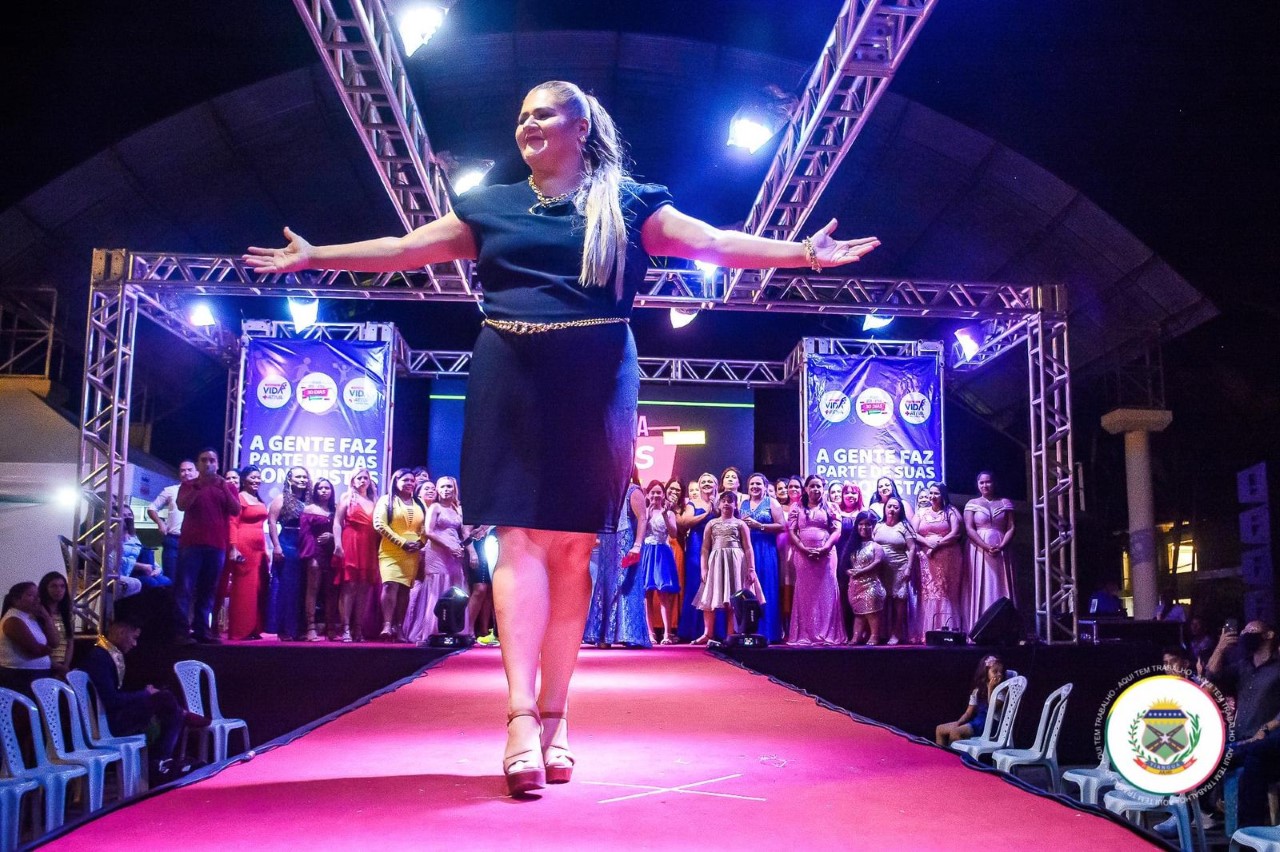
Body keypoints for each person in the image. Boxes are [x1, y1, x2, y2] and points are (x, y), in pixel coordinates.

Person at [244, 79, 878, 796]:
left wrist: (803, 253)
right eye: (521, 115)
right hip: (508, 369)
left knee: (574, 547)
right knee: (516, 538)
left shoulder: (629, 203)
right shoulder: (491, 205)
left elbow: (714, 242)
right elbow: (403, 249)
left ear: (582, 127)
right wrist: (315, 255)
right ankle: (519, 716)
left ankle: (556, 714)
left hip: (597, 374)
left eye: (543, 113)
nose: (527, 124)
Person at [78, 615, 211, 782]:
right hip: (106, 722)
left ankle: (161, 760)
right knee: (164, 699)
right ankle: (161, 761)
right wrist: (145, 694)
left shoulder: (107, 654)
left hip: (112, 715)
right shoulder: (99, 657)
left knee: (165, 700)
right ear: (121, 632)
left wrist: (145, 694)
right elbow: (111, 700)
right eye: (134, 638)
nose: (135, 644)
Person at [176, 448, 241, 644]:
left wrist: (223, 488)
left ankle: (202, 630)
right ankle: (181, 632)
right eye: (203, 460)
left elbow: (236, 510)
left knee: (208, 590)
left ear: (218, 464)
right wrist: (198, 487)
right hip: (191, 545)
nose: (208, 464)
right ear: (198, 464)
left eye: (212, 460)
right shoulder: (189, 485)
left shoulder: (227, 487)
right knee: (185, 589)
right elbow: (182, 505)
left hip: (216, 545)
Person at [583, 472, 650, 649]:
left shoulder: (633, 491)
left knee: (625, 584)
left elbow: (643, 518)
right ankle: (604, 635)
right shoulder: (606, 492)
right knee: (606, 585)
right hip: (608, 543)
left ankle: (629, 634)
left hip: (626, 543)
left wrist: (637, 545)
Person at [405, 476, 468, 642]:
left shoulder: (457, 509)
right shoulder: (435, 507)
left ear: (454, 489)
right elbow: (429, 531)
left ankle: (454, 628)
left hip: (454, 552)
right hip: (437, 551)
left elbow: (464, 532)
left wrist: (461, 547)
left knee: (454, 587)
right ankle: (432, 629)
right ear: (438, 490)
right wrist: (448, 546)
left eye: (449, 487)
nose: (446, 490)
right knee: (436, 587)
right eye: (443, 487)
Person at [694, 491, 761, 644]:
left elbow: (748, 548)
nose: (726, 504)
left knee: (733, 598)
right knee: (709, 596)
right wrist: (703, 568)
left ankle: (731, 634)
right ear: (718, 504)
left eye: (730, 501)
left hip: (736, 563)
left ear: (735, 505)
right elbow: (705, 548)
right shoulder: (712, 523)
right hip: (716, 562)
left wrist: (751, 569)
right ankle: (707, 633)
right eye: (723, 501)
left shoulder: (741, 524)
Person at [788, 475, 847, 646]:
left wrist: (825, 548)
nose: (815, 489)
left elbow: (837, 531)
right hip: (802, 555)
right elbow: (791, 531)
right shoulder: (796, 507)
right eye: (812, 486)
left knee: (827, 591)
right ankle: (806, 633)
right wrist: (802, 548)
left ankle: (827, 633)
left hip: (826, 555)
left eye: (818, 486)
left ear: (823, 488)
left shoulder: (832, 507)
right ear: (806, 489)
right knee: (805, 593)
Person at [372, 468, 427, 642]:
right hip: (391, 551)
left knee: (404, 589)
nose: (409, 483)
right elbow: (379, 524)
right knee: (390, 584)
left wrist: (421, 542)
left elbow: (426, 527)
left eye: (412, 480)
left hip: (413, 552)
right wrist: (401, 542)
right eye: (405, 480)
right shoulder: (386, 500)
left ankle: (399, 627)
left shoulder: (420, 503)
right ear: (396, 482)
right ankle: (387, 625)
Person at [333, 466, 380, 642]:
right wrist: (338, 544)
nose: (362, 481)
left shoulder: (374, 500)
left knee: (364, 587)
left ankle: (358, 628)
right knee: (350, 585)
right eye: (359, 478)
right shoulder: (347, 497)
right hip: (351, 541)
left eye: (365, 478)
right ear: (352, 481)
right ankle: (345, 627)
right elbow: (337, 523)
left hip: (369, 544)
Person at [963, 471, 1016, 629]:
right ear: (977, 485)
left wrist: (1002, 545)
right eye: (981, 482)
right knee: (981, 583)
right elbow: (969, 528)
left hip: (1002, 547)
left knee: (1000, 583)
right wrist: (985, 546)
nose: (985, 485)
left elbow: (1011, 527)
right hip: (979, 549)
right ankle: (979, 626)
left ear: (994, 483)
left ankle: (1004, 627)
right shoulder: (972, 503)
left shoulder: (1005, 502)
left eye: (988, 482)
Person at [225, 465, 269, 641]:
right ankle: (240, 630)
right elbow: (232, 523)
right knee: (244, 588)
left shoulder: (258, 498)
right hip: (244, 546)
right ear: (244, 480)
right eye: (252, 477)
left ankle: (253, 628)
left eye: (258, 477)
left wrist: (265, 550)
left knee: (257, 587)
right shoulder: (239, 497)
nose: (256, 480)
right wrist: (233, 547)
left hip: (259, 549)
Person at [740, 473, 786, 643]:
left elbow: (782, 526)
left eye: (758, 484)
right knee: (747, 589)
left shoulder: (771, 503)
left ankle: (768, 632)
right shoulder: (743, 503)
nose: (755, 487)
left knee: (767, 587)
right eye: (752, 484)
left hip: (766, 549)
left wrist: (760, 526)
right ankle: (748, 630)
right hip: (747, 550)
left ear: (765, 486)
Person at [914, 482, 965, 633]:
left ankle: (947, 628)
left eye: (936, 493)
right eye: (931, 493)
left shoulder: (950, 511)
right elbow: (912, 533)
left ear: (943, 495)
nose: (933, 496)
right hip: (927, 557)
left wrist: (937, 545)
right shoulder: (922, 512)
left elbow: (955, 532)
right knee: (929, 591)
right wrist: (927, 543)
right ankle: (928, 630)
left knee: (946, 591)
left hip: (948, 555)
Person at [267, 466, 310, 641]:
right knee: (287, 588)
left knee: (302, 589)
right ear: (289, 479)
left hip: (305, 546)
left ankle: (298, 629)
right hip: (287, 544)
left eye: (305, 477)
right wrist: (276, 546)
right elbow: (271, 522)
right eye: (298, 477)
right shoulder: (282, 498)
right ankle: (284, 629)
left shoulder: (310, 500)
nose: (302, 480)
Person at [676, 472, 717, 642]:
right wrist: (706, 513)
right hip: (696, 545)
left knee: (716, 586)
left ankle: (715, 630)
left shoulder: (720, 501)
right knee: (696, 583)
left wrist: (716, 509)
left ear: (716, 485)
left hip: (716, 546)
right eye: (703, 481)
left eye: (710, 481)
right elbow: (685, 523)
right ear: (699, 486)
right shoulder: (693, 503)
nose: (706, 484)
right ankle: (692, 630)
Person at [637, 481, 680, 644]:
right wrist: (646, 515)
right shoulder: (643, 512)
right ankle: (650, 633)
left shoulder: (669, 513)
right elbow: (639, 533)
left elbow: (673, 534)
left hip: (662, 552)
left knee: (664, 593)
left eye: (659, 492)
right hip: (647, 552)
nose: (656, 495)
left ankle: (667, 633)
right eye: (653, 492)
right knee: (647, 594)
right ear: (648, 494)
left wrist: (665, 515)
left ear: (663, 495)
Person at [936, 655, 1007, 746]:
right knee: (940, 729)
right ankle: (942, 754)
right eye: (995, 671)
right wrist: (958, 723)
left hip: (989, 724)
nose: (999, 674)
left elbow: (992, 708)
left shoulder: (1001, 692)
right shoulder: (978, 690)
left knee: (955, 733)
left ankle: (957, 754)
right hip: (978, 721)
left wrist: (991, 688)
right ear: (986, 673)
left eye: (1001, 672)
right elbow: (968, 713)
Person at [0, 582, 57, 694]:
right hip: (20, 676)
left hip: (34, 675)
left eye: (38, 596)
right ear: (16, 600)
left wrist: (47, 618)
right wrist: (48, 650)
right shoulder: (13, 620)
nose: (37, 600)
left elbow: (54, 642)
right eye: (31, 595)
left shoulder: (31, 618)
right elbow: (35, 650)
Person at [299, 478, 338, 641]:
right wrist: (310, 555)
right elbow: (304, 534)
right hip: (314, 551)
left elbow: (342, 531)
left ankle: (331, 627)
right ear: (315, 491)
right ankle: (311, 627)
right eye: (320, 488)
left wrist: (332, 536)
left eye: (327, 488)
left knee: (331, 590)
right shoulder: (309, 509)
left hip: (332, 553)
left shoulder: (335, 510)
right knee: (312, 589)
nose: (323, 491)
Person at [874, 497, 916, 645]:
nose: (892, 509)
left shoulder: (904, 526)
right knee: (881, 601)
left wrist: (909, 568)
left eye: (896, 507)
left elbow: (912, 548)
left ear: (900, 510)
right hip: (880, 569)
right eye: (889, 506)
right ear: (885, 509)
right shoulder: (878, 525)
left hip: (900, 568)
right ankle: (881, 632)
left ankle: (897, 632)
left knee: (899, 601)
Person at [147, 458, 196, 577]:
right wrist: (160, 523)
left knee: (190, 579)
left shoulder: (203, 492)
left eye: (190, 470)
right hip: (173, 540)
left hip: (194, 542)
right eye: (183, 470)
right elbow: (152, 508)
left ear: (197, 472)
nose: (186, 473)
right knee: (171, 578)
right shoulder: (171, 490)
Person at [845, 511, 887, 645]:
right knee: (858, 613)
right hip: (855, 585)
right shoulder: (853, 546)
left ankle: (875, 636)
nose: (864, 527)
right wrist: (849, 571)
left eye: (868, 524)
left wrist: (861, 572)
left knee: (872, 612)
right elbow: (846, 564)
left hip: (871, 584)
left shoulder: (876, 546)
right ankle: (856, 636)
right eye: (861, 524)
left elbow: (877, 562)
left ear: (873, 526)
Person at [38, 572, 73, 675]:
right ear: (45, 588)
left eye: (62, 586)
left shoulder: (66, 614)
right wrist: (54, 665)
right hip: (43, 664)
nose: (59, 590)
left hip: (62, 665)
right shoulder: (39, 613)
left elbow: (70, 643)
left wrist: (65, 666)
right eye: (54, 586)